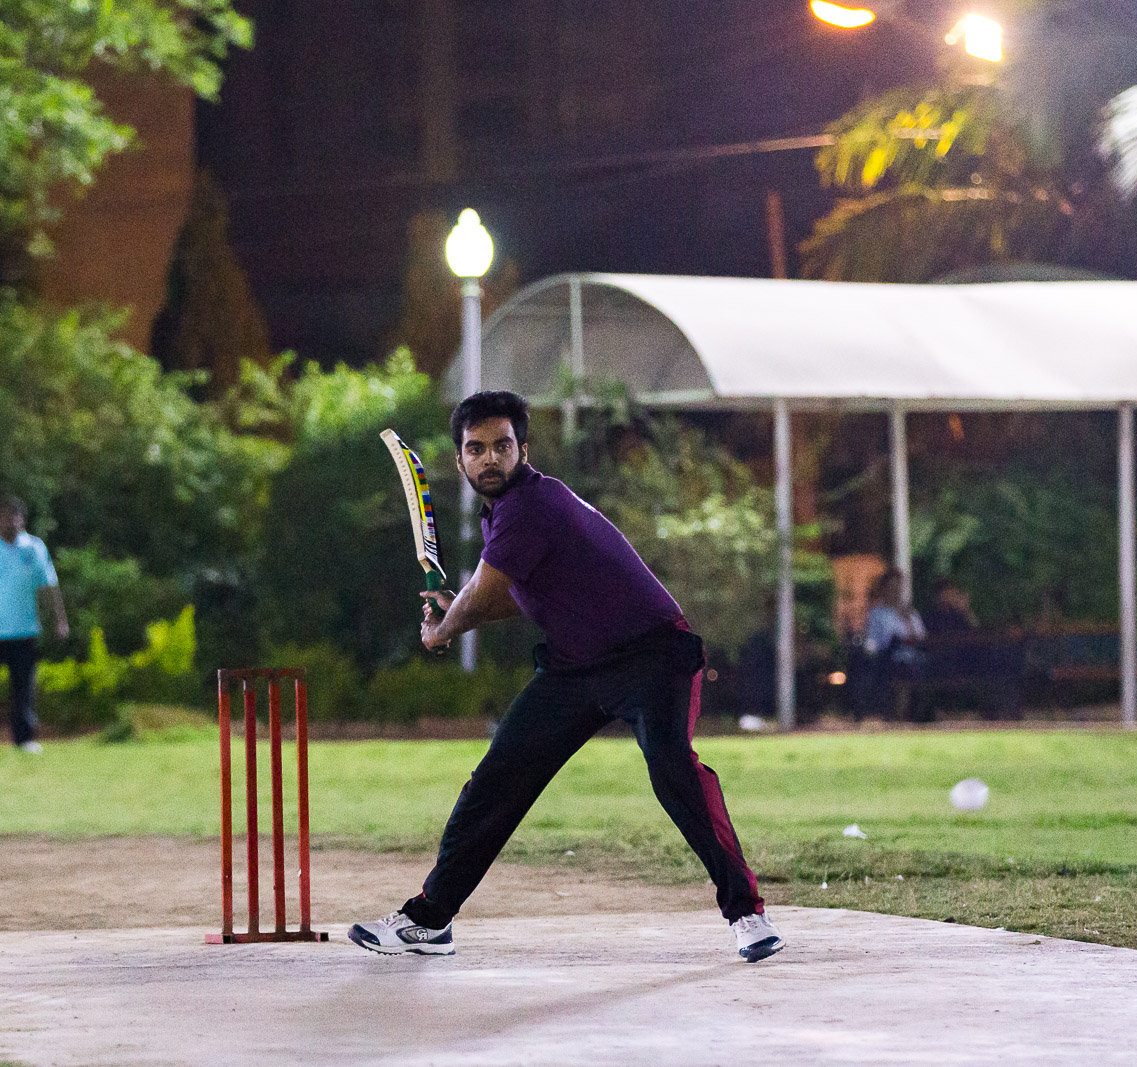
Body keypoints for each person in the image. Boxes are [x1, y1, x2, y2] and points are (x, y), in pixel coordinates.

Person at [349, 392, 783, 963]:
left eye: (502, 446)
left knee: (672, 768)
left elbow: (484, 593)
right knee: (498, 780)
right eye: (476, 449)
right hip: (574, 668)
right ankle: (429, 921)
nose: (489, 459)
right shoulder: (502, 515)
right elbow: (509, 594)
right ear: (460, 460)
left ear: (523, 450)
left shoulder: (533, 503)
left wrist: (443, 629)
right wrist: (459, 608)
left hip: (651, 655)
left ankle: (747, 914)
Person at [0, 497, 68, 753]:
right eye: (4, 516)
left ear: (22, 519)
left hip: (24, 629)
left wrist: (60, 620)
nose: (9, 521)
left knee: (23, 688)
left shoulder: (35, 548)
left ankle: (24, 739)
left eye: (14, 515)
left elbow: (49, 585)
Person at [858, 568, 926, 720]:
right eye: (891, 587)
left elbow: (921, 636)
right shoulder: (877, 614)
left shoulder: (911, 613)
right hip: (887, 658)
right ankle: (893, 714)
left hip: (912, 656)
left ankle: (909, 714)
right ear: (884, 589)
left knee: (914, 668)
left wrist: (907, 620)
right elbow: (873, 640)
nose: (895, 591)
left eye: (898, 587)